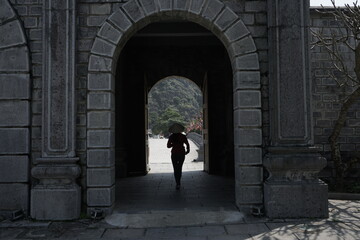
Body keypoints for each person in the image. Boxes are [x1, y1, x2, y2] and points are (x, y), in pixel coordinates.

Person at [167, 125, 190, 190]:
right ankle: (178, 182)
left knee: (175, 168)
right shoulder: (183, 136)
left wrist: (173, 144)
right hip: (181, 153)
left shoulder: (171, 137)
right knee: (180, 167)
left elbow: (168, 146)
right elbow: (187, 144)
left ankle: (177, 182)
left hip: (174, 153)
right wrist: (188, 150)